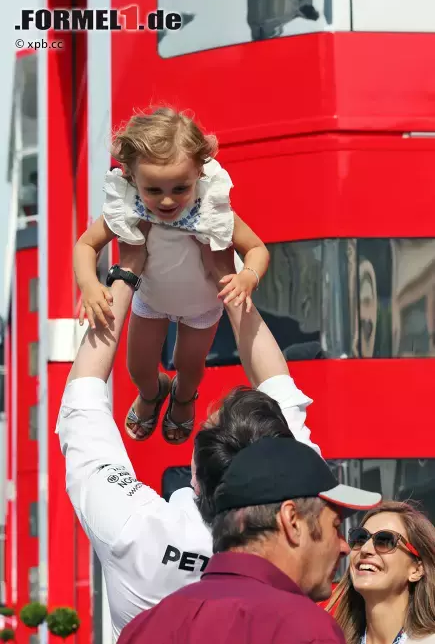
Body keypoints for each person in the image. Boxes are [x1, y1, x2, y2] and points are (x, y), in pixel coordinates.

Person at [58, 242, 319, 641]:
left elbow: (83, 405)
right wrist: (226, 279)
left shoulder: (138, 530)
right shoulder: (293, 521)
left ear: (197, 471)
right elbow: (280, 387)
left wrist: (126, 272)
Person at [73, 106, 270, 445]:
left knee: (189, 367)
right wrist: (89, 285)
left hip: (202, 306)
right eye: (154, 190)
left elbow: (257, 249)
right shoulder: (128, 207)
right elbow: (86, 245)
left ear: (199, 173)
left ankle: (183, 396)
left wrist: (247, 277)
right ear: (133, 179)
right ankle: (152, 393)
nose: (166, 200)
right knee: (138, 367)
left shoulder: (211, 208)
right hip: (151, 299)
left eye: (180, 188)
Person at [117, 437, 382, 644]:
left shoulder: (143, 629)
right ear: (291, 521)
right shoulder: (306, 630)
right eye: (335, 526)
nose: (345, 546)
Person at [327, 501, 435, 644]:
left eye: (385, 540)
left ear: (416, 569)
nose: (365, 549)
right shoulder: (330, 639)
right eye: (360, 538)